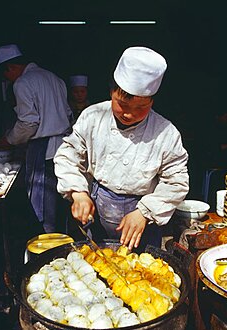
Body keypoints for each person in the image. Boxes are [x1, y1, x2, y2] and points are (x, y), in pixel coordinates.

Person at [54, 46, 189, 251]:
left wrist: (145, 212)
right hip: (98, 211)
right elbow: (68, 154)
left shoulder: (166, 133)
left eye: (141, 108)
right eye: (123, 105)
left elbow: (177, 181)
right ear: (111, 93)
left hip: (142, 219)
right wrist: (78, 192)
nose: (129, 114)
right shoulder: (93, 117)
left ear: (152, 101)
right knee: (97, 264)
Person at [0, 43, 72, 233]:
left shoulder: (22, 83)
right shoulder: (54, 78)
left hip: (43, 150)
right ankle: (63, 241)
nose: (6, 78)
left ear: (11, 68)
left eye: (5, 73)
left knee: (43, 208)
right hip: (65, 147)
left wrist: (8, 140)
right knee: (63, 205)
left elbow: (29, 123)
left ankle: (46, 251)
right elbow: (68, 113)